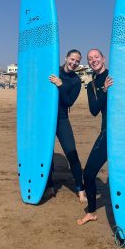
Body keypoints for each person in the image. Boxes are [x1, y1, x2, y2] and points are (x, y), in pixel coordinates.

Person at [77, 49, 113, 225]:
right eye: (90, 59)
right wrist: (105, 91)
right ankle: (91, 212)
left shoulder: (116, 74)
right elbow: (93, 110)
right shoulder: (91, 85)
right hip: (108, 132)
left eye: (96, 57)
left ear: (103, 59)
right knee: (89, 174)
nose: (93, 60)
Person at [45, 49, 86, 203]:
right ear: (66, 58)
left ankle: (80, 188)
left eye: (77, 61)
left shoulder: (76, 81)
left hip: (61, 119)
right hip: (46, 119)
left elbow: (69, 102)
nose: (74, 63)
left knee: (71, 152)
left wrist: (60, 85)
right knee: (47, 154)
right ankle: (49, 186)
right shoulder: (54, 71)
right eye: (72, 59)